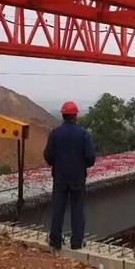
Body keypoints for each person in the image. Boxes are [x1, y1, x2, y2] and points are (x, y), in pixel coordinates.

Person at [43, 100, 96, 250]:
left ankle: (55, 240)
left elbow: (48, 156)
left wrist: (57, 165)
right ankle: (77, 242)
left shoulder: (55, 133)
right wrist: (81, 166)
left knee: (58, 208)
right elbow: (90, 158)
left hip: (60, 177)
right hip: (77, 178)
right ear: (75, 116)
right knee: (77, 209)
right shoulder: (83, 134)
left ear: (63, 115)